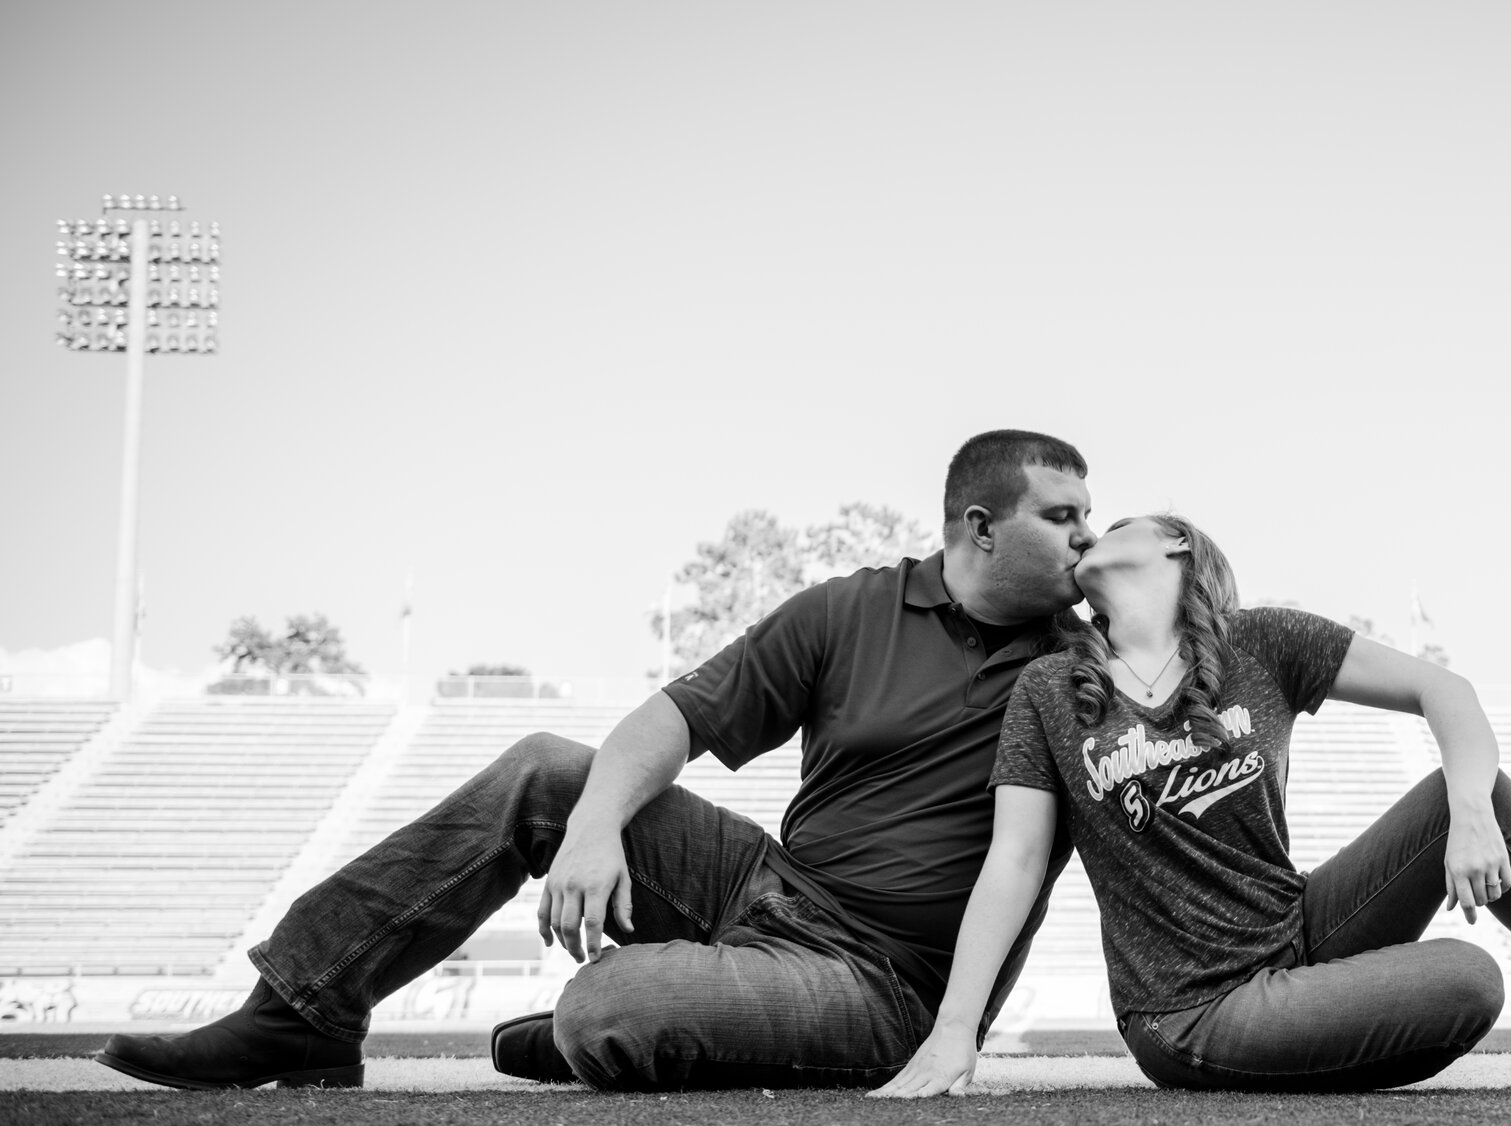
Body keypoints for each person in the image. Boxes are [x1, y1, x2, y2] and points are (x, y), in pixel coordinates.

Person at [100, 431, 1098, 1092]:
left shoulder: (1080, 663)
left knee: (607, 1005)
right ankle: (303, 1011)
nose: (1086, 538)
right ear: (978, 525)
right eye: (1062, 517)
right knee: (545, 768)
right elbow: (667, 718)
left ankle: (659, 1019)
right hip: (769, 884)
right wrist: (590, 830)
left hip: (878, 980)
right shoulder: (851, 608)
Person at [872, 513, 1511, 1098]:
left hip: (1298, 931)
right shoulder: (1046, 686)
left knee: (1470, 792)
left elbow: (1446, 690)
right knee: (1470, 978)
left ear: (1177, 546)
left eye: (1112, 521)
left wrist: (1467, 813)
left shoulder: (1261, 641)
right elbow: (1015, 862)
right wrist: (957, 1030)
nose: (1085, 533)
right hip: (1190, 1010)